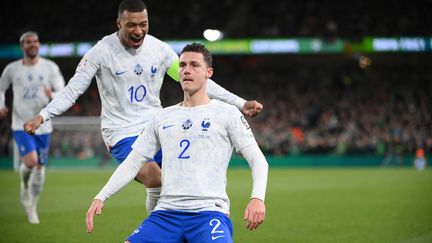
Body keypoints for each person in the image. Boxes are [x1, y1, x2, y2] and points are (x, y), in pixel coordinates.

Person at [23, 0, 263, 213]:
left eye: (143, 24)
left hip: (155, 126)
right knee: (154, 178)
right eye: (131, 25)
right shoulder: (101, 52)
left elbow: (198, 81)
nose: (138, 31)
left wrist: (240, 103)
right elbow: (72, 90)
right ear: (118, 23)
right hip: (121, 131)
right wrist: (43, 116)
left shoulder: (159, 50)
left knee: (178, 181)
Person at [86, 42, 268, 243]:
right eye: (182, 65)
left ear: (209, 72)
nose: (186, 70)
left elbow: (258, 160)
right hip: (165, 215)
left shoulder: (227, 114)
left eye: (194, 65)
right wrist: (101, 196)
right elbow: (133, 161)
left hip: (208, 214)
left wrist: (257, 198)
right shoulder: (162, 117)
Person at [0, 31, 65, 224]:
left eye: (35, 41)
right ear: (22, 46)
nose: (33, 44)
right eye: (28, 42)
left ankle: (32, 205)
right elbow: (1, 87)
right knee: (31, 162)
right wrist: (1, 104)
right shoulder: (12, 69)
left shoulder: (49, 67)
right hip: (21, 123)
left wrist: (52, 93)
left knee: (40, 167)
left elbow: (62, 89)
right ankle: (24, 186)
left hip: (44, 125)